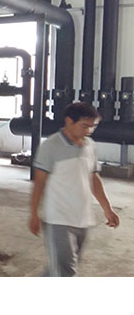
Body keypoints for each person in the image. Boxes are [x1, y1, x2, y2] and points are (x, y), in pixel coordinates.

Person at [29, 101, 120, 276]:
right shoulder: (51, 146)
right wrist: (34, 213)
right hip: (58, 219)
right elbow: (39, 183)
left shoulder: (90, 146)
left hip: (82, 218)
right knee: (66, 271)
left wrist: (107, 209)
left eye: (93, 127)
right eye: (84, 126)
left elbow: (93, 178)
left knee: (58, 269)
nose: (89, 131)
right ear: (69, 121)